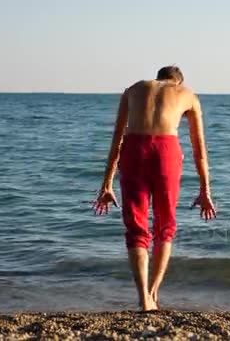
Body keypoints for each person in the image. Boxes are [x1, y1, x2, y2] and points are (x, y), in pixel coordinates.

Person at [92, 65, 216, 311]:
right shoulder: (187, 95)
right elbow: (199, 149)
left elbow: (116, 140)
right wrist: (205, 190)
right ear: (177, 83)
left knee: (136, 226)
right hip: (166, 151)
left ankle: (143, 299)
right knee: (164, 225)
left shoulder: (133, 89)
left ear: (157, 79)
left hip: (133, 150)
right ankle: (153, 292)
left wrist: (106, 183)